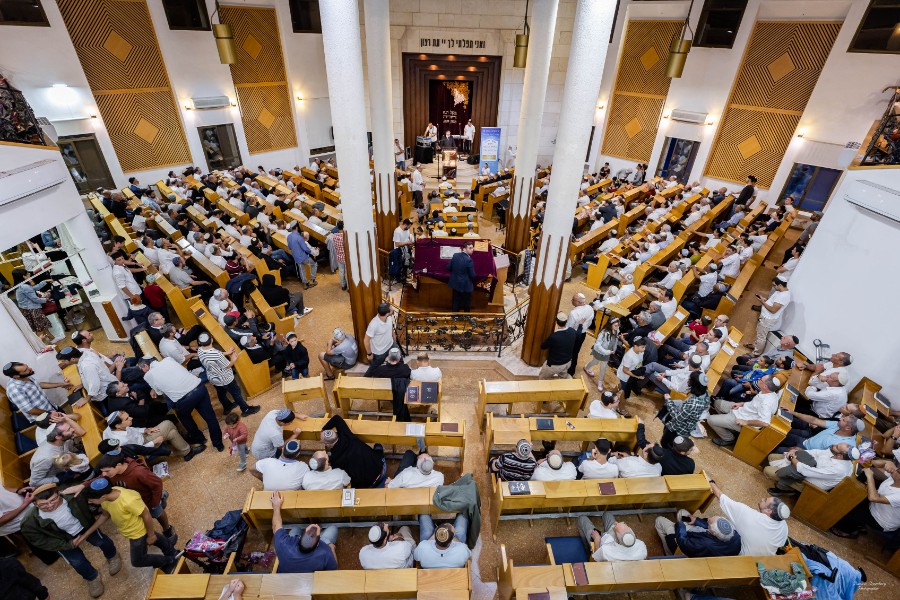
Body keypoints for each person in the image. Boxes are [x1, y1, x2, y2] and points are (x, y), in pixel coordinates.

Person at [21, 484, 122, 598]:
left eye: (53, 500)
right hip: (61, 540)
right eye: (43, 504)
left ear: (59, 494)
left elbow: (101, 483)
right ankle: (92, 577)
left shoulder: (73, 496)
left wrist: (83, 486)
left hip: (85, 526)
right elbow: (40, 540)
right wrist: (67, 545)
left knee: (102, 541)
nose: (50, 506)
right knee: (77, 562)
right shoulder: (29, 521)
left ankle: (112, 556)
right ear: (34, 504)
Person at [138, 356, 223, 450]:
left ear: (145, 366)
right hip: (199, 388)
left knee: (183, 416)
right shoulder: (168, 359)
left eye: (141, 369)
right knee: (210, 417)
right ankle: (218, 444)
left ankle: (199, 438)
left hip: (185, 399)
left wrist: (154, 388)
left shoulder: (148, 375)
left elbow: (159, 392)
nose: (143, 371)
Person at [94, 452, 177, 544]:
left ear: (118, 465)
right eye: (102, 471)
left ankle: (167, 529)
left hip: (148, 500)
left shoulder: (139, 472)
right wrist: (82, 486)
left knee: (158, 512)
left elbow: (157, 484)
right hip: (134, 501)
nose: (104, 474)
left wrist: (155, 502)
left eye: (106, 471)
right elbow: (99, 478)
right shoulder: (111, 474)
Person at [709, 479, 789, 555]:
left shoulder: (748, 514)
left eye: (765, 500)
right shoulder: (784, 526)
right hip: (762, 561)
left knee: (717, 522)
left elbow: (720, 496)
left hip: (737, 556)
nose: (762, 499)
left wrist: (710, 481)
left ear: (768, 511)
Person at [707, 374, 783, 447]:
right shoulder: (769, 392)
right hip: (742, 410)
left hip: (741, 419)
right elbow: (754, 404)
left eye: (760, 379)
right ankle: (727, 425)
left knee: (710, 419)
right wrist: (742, 403)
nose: (758, 379)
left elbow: (765, 422)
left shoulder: (766, 403)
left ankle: (729, 438)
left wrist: (746, 422)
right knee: (717, 403)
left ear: (765, 386)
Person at [271, 491, 338, 572]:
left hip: (289, 572)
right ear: (318, 544)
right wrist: (332, 548)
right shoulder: (325, 552)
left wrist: (276, 507)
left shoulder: (284, 544)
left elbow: (276, 526)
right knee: (333, 529)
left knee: (295, 529)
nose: (315, 524)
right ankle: (325, 538)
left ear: (299, 537)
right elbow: (333, 569)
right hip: (308, 581)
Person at [196, 333, 260, 416]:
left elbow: (214, 356)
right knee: (236, 393)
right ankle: (246, 409)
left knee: (221, 393)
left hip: (213, 377)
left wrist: (227, 352)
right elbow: (227, 365)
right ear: (211, 340)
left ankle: (227, 407)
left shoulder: (200, 349)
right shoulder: (216, 354)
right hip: (225, 378)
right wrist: (233, 359)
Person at [831, 462, 900, 538]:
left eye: (898, 471)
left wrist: (870, 476)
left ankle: (848, 531)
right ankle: (857, 524)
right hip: (875, 506)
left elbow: (873, 498)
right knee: (852, 497)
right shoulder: (894, 477)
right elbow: (874, 465)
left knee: (850, 508)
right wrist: (887, 462)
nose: (895, 470)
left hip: (880, 520)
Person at [763, 444, 857, 496]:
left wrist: (792, 458)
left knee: (767, 470)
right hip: (808, 463)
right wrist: (795, 452)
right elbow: (816, 452)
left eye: (836, 447)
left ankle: (786, 490)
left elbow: (806, 471)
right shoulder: (840, 455)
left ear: (840, 456)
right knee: (771, 457)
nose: (834, 445)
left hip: (808, 481)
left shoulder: (838, 469)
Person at [321, 414, 386, 488]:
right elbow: (337, 418)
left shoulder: (335, 459)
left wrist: (322, 432)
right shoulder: (347, 435)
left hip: (369, 484)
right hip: (381, 467)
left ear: (328, 445)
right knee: (377, 447)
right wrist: (324, 429)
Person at [103, 410, 197, 460]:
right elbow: (138, 451)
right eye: (127, 419)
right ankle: (186, 441)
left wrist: (146, 430)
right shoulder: (121, 441)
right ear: (118, 425)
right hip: (145, 446)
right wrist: (154, 442)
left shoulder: (111, 427)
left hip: (143, 438)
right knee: (168, 423)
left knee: (172, 433)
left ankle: (187, 452)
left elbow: (132, 429)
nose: (131, 418)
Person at [654, 509, 741, 557]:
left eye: (708, 522)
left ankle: (670, 554)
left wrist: (680, 525)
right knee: (682, 513)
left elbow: (683, 542)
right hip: (701, 538)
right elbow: (711, 528)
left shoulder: (705, 544)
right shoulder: (735, 536)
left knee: (659, 520)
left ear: (713, 533)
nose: (708, 519)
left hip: (685, 546)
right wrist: (697, 521)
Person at [3, 362, 73, 420]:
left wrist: (61, 384)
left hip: (51, 407)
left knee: (69, 420)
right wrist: (50, 414)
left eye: (27, 367)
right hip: (45, 417)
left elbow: (38, 384)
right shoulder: (14, 390)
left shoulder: (24, 376)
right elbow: (29, 410)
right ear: (16, 376)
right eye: (25, 370)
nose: (30, 369)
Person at [660, 372, 710, 448]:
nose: (688, 380)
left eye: (689, 379)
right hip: (688, 425)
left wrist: (669, 400)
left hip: (678, 429)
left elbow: (677, 418)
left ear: (694, 383)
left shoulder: (693, 404)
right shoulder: (705, 394)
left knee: (665, 443)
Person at [577, 513, 647, 561]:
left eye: (615, 526)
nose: (616, 523)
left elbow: (597, 557)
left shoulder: (607, 551)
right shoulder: (641, 546)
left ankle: (587, 549)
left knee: (582, 519)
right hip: (609, 539)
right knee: (607, 514)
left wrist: (597, 539)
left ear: (617, 540)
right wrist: (618, 528)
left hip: (600, 542)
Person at [748, 277, 791, 353]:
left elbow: (773, 310)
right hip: (765, 317)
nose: (773, 287)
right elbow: (773, 303)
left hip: (768, 319)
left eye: (774, 285)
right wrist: (765, 300)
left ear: (780, 285)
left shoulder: (783, 296)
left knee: (761, 337)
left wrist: (763, 302)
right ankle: (755, 346)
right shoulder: (780, 291)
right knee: (759, 333)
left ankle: (756, 353)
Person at [11, 269, 55, 343]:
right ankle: (42, 345)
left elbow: (33, 289)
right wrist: (46, 298)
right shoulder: (24, 287)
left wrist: (44, 282)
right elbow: (36, 299)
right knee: (39, 328)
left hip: (26, 309)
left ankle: (52, 339)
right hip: (32, 309)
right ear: (24, 276)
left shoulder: (20, 286)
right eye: (27, 274)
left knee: (42, 325)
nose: (29, 275)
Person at [538, 312, 576, 380]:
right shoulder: (572, 331)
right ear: (566, 321)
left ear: (556, 322)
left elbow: (543, 346)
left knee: (542, 378)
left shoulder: (554, 336)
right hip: (568, 362)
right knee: (562, 377)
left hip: (555, 365)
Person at [583, 318, 619, 388]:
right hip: (600, 351)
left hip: (607, 353)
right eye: (616, 325)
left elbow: (615, 341)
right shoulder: (603, 333)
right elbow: (597, 345)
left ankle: (600, 382)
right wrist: (607, 351)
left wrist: (614, 349)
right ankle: (586, 367)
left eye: (618, 325)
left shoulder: (616, 331)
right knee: (595, 362)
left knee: (603, 367)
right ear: (610, 325)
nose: (617, 327)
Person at [566, 293, 595, 377]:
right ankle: (571, 371)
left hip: (573, 334)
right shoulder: (590, 308)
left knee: (569, 352)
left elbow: (569, 327)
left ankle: (566, 370)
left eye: (573, 299)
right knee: (575, 353)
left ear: (578, 302)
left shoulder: (573, 313)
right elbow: (590, 321)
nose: (571, 300)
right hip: (582, 334)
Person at [364, 303, 395, 370]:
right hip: (379, 352)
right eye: (391, 309)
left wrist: (394, 340)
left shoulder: (389, 317)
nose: (393, 309)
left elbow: (391, 328)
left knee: (399, 361)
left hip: (391, 345)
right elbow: (366, 340)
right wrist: (369, 354)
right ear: (387, 313)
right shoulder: (374, 325)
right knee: (373, 369)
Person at [447, 241, 476, 312]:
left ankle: (454, 317)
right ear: (464, 249)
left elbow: (448, 268)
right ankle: (466, 317)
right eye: (470, 248)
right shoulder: (469, 260)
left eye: (472, 248)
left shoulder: (455, 255)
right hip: (465, 284)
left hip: (455, 283)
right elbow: (472, 275)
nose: (472, 250)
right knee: (467, 302)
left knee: (456, 301)